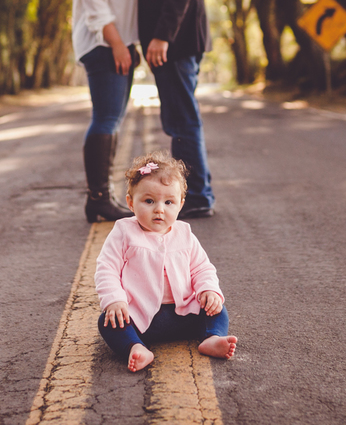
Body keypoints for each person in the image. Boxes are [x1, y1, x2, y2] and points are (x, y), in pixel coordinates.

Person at [119, 0, 215, 218]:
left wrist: (161, 37)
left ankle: (199, 196)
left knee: (183, 120)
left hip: (176, 45)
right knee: (178, 119)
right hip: (173, 45)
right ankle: (198, 195)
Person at [95, 150, 238, 372]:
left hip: (183, 314)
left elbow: (201, 268)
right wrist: (115, 300)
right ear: (131, 203)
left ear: (180, 204)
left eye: (169, 202)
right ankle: (135, 347)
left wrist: (207, 290)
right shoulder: (124, 232)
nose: (159, 209)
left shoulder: (184, 233)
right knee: (108, 320)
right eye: (149, 201)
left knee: (216, 307)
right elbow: (107, 269)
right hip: (140, 316)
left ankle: (212, 338)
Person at [66, 0, 142, 222]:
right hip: (104, 46)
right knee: (106, 119)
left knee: (113, 120)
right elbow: (96, 8)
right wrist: (117, 44)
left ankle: (101, 196)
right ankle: (97, 198)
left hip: (120, 45)